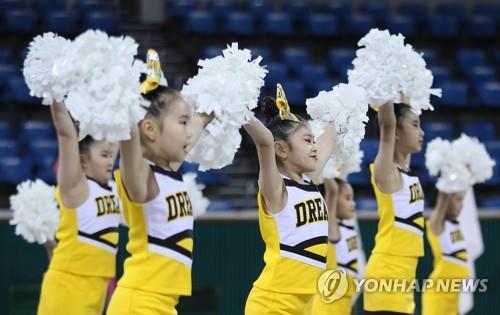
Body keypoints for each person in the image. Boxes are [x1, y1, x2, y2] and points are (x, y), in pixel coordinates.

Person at [107, 50, 213, 315]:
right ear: (150, 129)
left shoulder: (167, 170)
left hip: (163, 303)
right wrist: (128, 106)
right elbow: (129, 140)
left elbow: (192, 135)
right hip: (139, 302)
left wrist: (206, 113)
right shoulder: (142, 176)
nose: (189, 130)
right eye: (182, 121)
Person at [244, 84, 336, 314]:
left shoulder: (309, 180)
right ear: (282, 150)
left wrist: (353, 101)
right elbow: (264, 142)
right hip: (273, 303)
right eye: (307, 140)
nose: (314, 147)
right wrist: (237, 109)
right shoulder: (276, 188)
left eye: (314, 140)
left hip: (305, 304)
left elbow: (332, 136)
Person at [38, 101, 120, 315]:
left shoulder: (111, 186)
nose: (111, 161)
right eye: (104, 156)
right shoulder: (75, 187)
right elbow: (66, 135)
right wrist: (54, 94)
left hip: (99, 286)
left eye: (111, 156)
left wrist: (124, 90)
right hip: (69, 285)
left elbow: (119, 135)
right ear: (83, 162)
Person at [364, 102, 425, 314]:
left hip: (405, 277)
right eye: (415, 125)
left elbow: (403, 106)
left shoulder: (405, 169)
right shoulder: (389, 174)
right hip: (387, 277)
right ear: (397, 133)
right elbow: (387, 125)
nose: (422, 132)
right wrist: (385, 84)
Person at [312, 178, 360, 314]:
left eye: (353, 198)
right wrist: (329, 170)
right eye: (347, 198)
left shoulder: (348, 227)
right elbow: (332, 190)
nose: (353, 203)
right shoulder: (331, 228)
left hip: (343, 301)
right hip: (328, 306)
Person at [422, 191, 469, 315]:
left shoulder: (453, 223)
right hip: (438, 293)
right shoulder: (437, 224)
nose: (461, 205)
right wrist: (446, 188)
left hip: (452, 293)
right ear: (447, 200)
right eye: (457, 201)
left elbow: (463, 187)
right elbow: (442, 197)